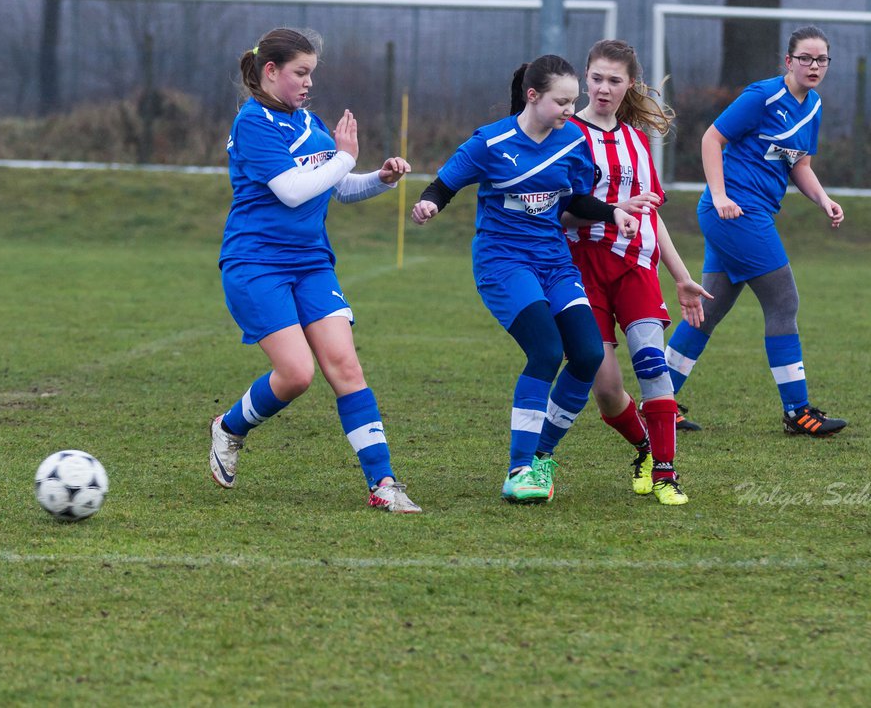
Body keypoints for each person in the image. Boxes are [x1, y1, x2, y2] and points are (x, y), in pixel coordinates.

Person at [209, 27, 422, 513]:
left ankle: (383, 484)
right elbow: (290, 190)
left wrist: (379, 179)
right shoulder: (253, 122)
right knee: (297, 374)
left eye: (312, 74)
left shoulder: (311, 122)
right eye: (299, 73)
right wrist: (345, 155)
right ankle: (229, 427)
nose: (308, 83)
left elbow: (337, 188)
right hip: (256, 263)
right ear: (270, 71)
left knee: (346, 367)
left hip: (311, 264)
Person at [411, 55, 640, 503]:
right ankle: (519, 470)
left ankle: (540, 456)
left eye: (574, 102)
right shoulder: (490, 142)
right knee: (546, 350)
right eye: (562, 102)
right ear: (533, 96)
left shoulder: (572, 139)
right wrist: (429, 205)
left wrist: (613, 212)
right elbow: (443, 185)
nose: (571, 111)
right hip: (503, 264)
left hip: (555, 262)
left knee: (588, 355)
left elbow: (574, 199)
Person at [664, 25, 848, 437]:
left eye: (821, 60)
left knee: (707, 312)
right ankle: (798, 412)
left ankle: (657, 403)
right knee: (784, 301)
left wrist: (823, 200)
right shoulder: (762, 96)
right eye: (805, 58)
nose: (814, 66)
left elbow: (799, 164)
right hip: (736, 213)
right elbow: (712, 139)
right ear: (788, 61)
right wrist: (719, 194)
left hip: (747, 214)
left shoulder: (812, 106)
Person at [565, 39, 709, 505]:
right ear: (585, 78)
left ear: (630, 85)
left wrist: (682, 275)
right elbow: (560, 213)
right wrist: (609, 211)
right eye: (597, 78)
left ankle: (667, 474)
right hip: (584, 267)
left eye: (614, 80)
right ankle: (647, 448)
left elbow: (651, 213)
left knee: (651, 365)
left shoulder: (634, 140)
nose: (604, 89)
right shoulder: (566, 134)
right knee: (606, 389)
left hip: (636, 266)